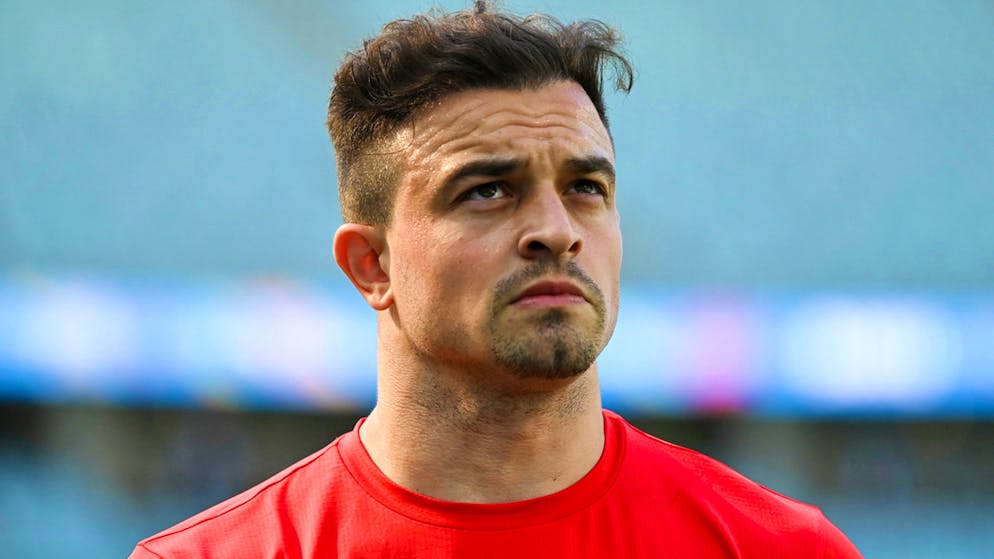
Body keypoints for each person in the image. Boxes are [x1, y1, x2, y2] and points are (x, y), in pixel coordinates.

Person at [130, 2, 862, 557]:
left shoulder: (782, 549)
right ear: (372, 265)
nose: (557, 229)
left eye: (585, 187)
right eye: (487, 190)